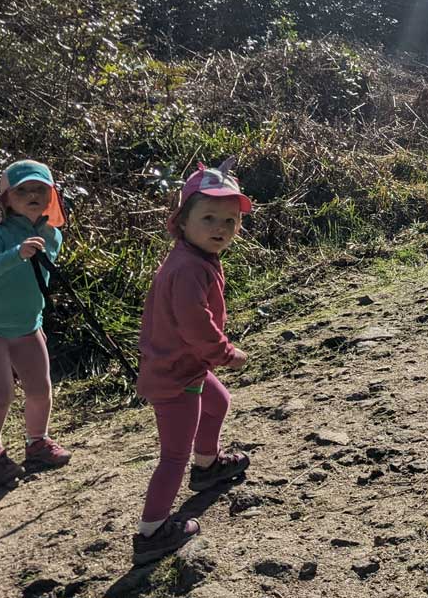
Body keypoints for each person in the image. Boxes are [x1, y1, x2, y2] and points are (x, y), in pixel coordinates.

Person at [132, 162, 253, 565]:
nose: (221, 227)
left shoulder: (197, 257)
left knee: (218, 403)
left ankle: (208, 466)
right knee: (172, 456)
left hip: (186, 365)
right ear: (182, 221)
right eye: (209, 218)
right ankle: (152, 532)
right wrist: (226, 354)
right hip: (175, 374)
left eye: (230, 220)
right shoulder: (187, 268)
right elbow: (195, 324)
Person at [0, 160, 73, 485]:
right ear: (7, 199)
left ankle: (37, 444)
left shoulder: (52, 235)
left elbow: (37, 283)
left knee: (40, 390)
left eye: (40, 189)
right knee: (0, 395)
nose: (32, 195)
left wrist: (37, 318)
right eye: (22, 190)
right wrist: (16, 254)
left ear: (51, 195)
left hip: (27, 326)